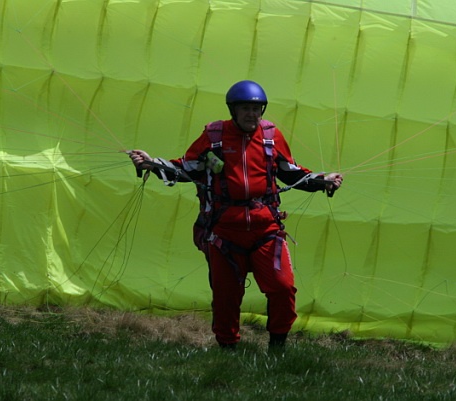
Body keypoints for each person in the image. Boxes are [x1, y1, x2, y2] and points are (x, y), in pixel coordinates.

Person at [129, 80, 342, 350]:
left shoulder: (271, 136)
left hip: (266, 229)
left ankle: (277, 347)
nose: (251, 114)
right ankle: (227, 348)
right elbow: (186, 168)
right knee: (226, 295)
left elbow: (291, 173)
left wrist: (323, 181)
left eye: (256, 109)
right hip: (224, 232)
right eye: (245, 109)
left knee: (282, 287)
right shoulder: (214, 137)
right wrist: (151, 163)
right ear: (233, 110)